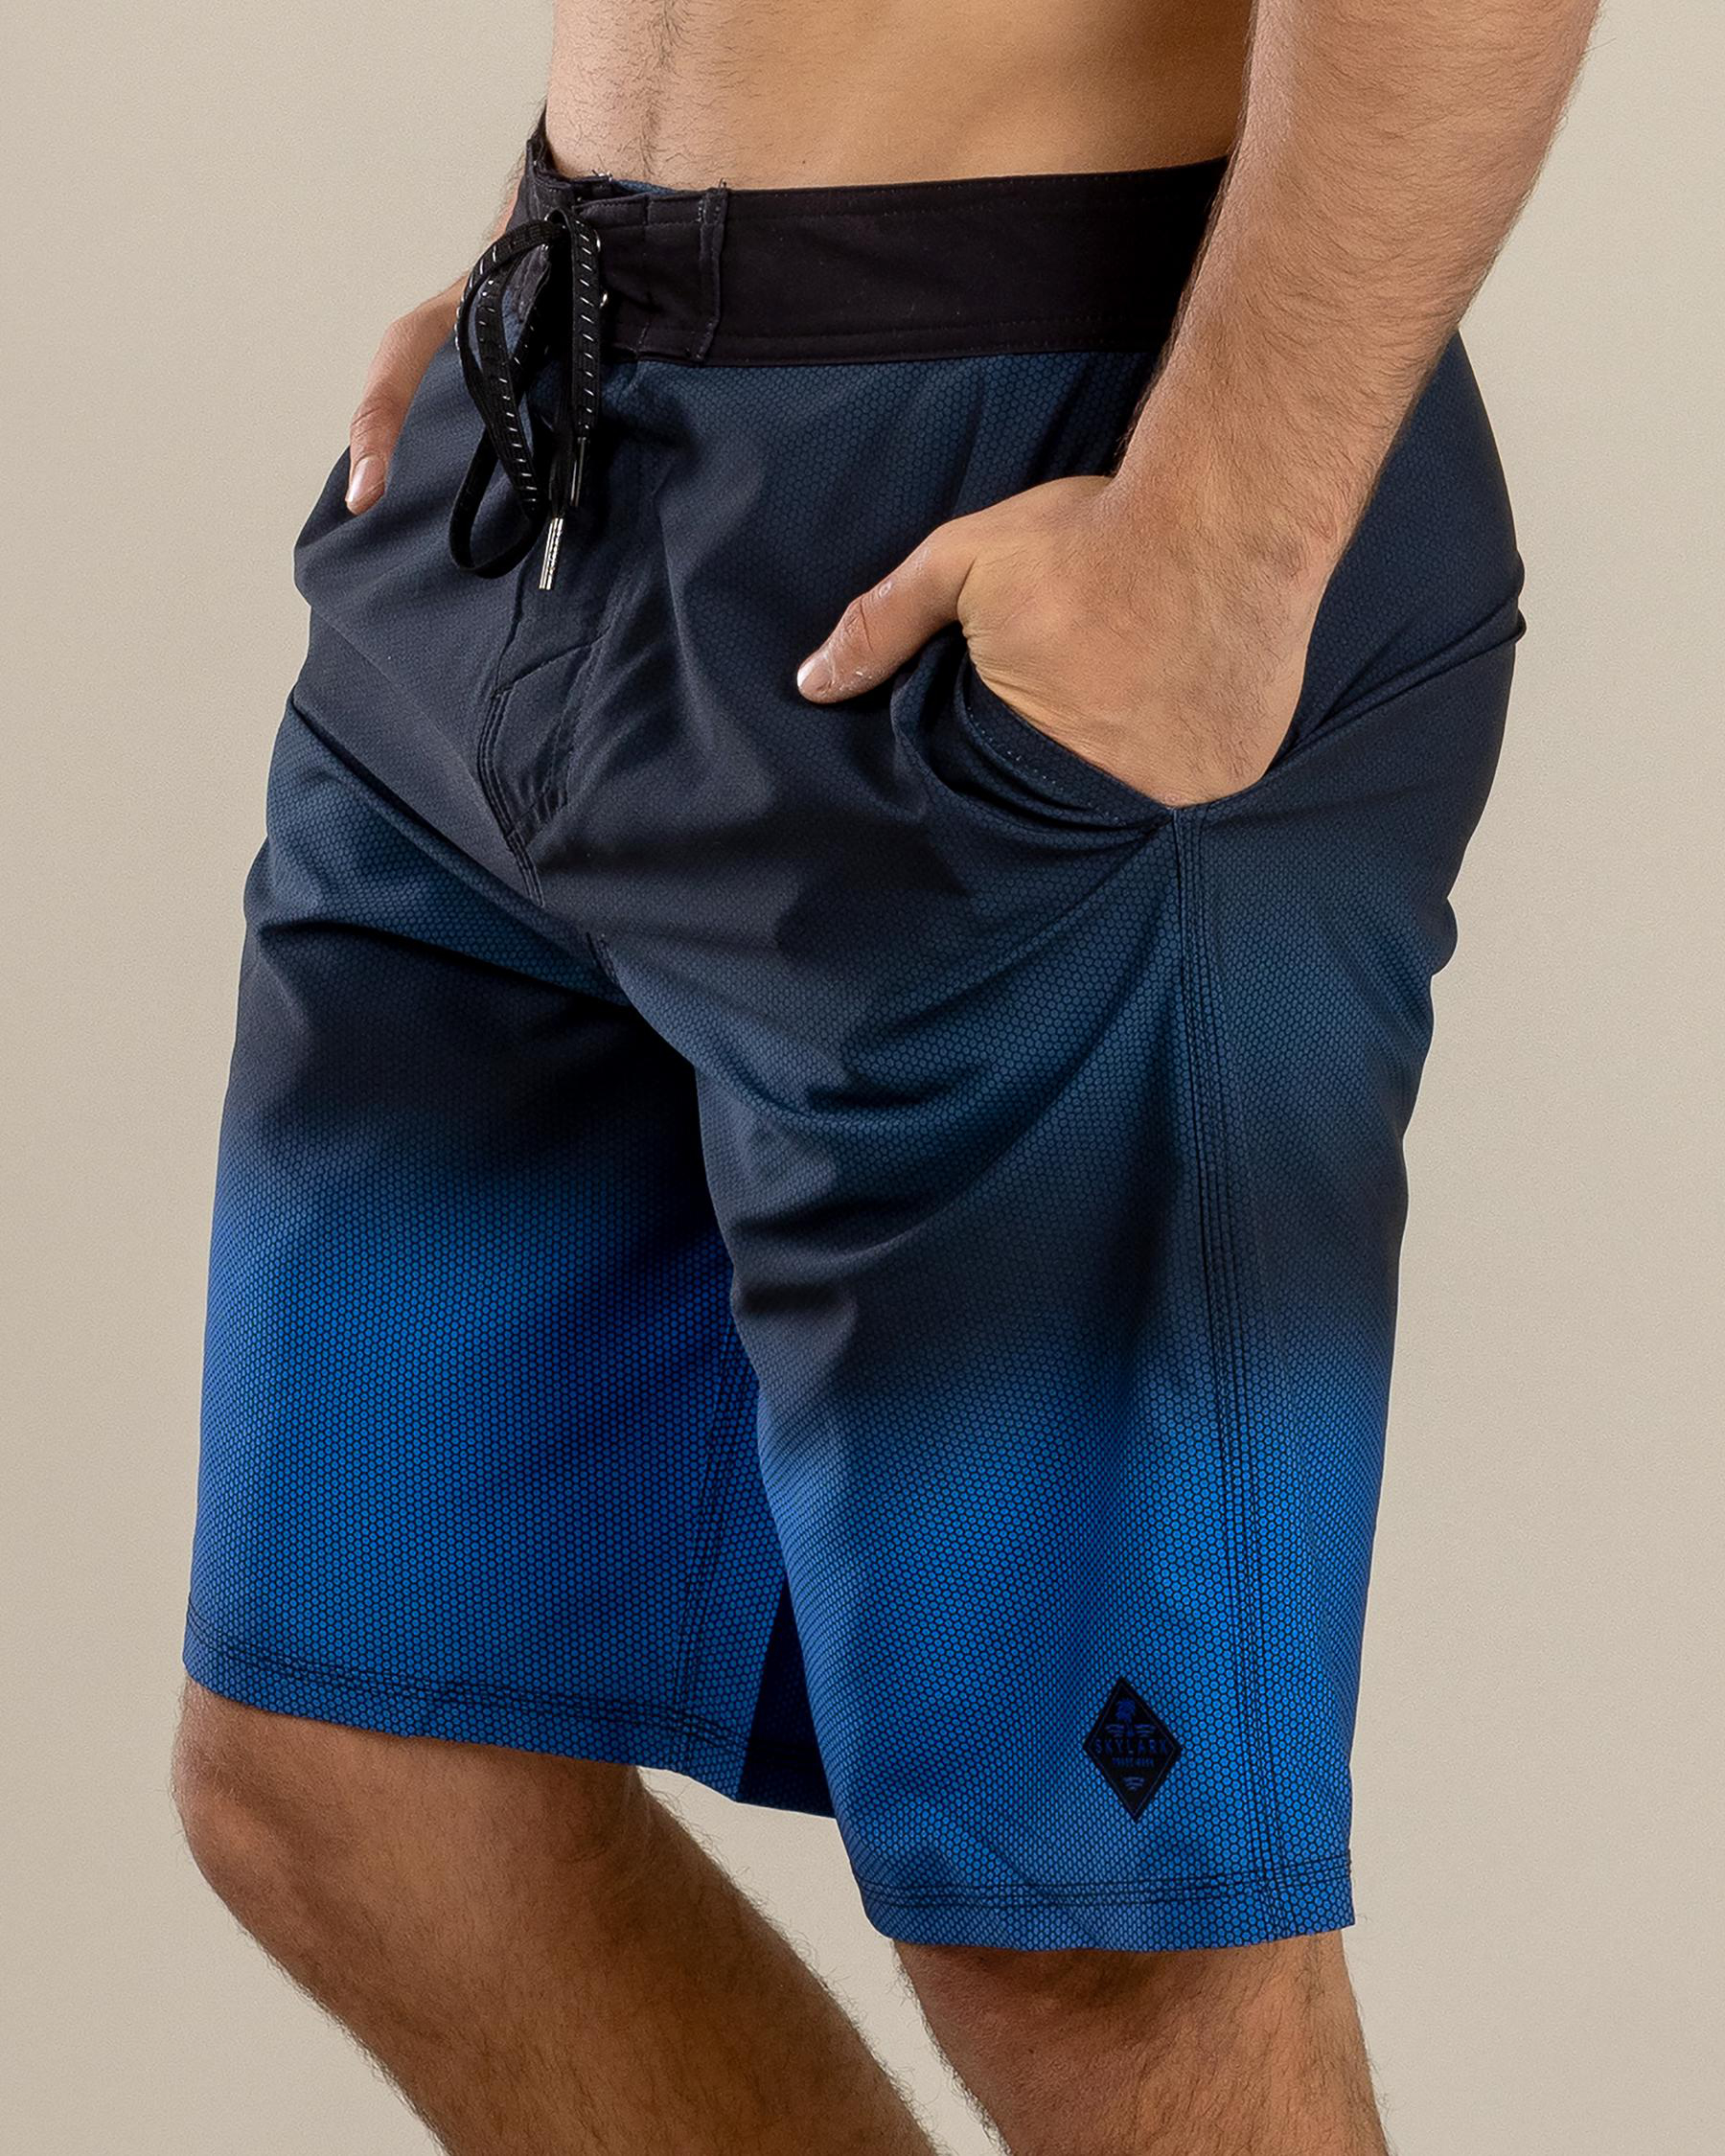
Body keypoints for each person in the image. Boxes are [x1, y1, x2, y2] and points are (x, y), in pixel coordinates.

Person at [172, 1, 1598, 2148]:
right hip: (557, 430)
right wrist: (564, 244)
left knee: (1094, 1936)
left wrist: (1220, 552)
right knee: (354, 1767)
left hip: (1033, 452)